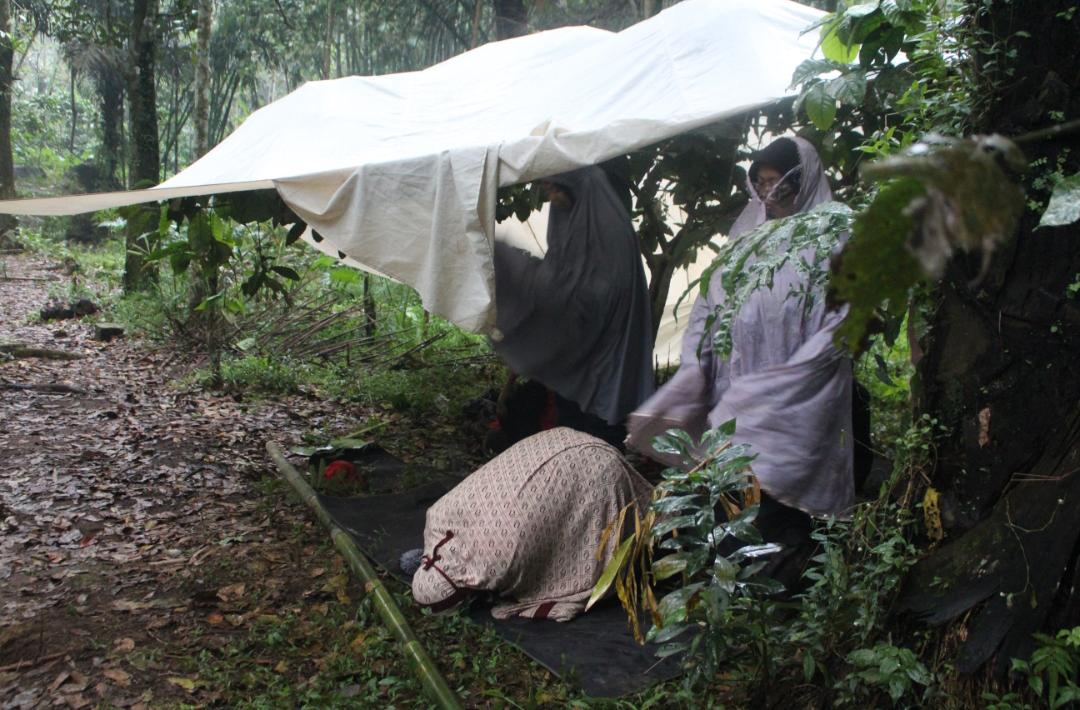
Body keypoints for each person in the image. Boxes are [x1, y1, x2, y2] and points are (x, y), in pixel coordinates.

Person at [626, 136, 854, 543]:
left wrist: (792, 377)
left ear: (802, 180)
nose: (768, 193)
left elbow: (844, 318)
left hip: (800, 385)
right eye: (761, 182)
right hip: (743, 378)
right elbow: (710, 303)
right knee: (739, 477)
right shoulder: (748, 237)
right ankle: (745, 567)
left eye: (776, 181)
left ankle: (789, 564)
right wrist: (697, 367)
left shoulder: (832, 235)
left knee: (788, 481)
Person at [410, 427, 652, 620]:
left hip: (595, 470)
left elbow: (534, 582)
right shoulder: (436, 515)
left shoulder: (498, 564)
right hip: (557, 437)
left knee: (597, 545)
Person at [491, 166, 654, 448]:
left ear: (575, 183)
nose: (551, 196)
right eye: (547, 189)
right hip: (576, 360)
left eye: (555, 187)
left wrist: (524, 278)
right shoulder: (570, 220)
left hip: (604, 361)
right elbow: (562, 276)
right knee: (571, 437)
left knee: (599, 441)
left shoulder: (609, 229)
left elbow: (594, 294)